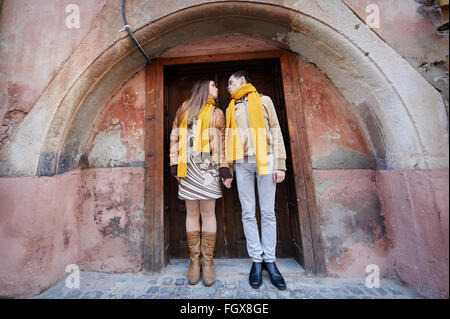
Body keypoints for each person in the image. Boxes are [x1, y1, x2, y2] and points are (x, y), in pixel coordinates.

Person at [225, 70, 287, 290]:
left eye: (230, 83)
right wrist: (228, 169)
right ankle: (256, 260)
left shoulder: (264, 100)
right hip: (241, 163)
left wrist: (280, 164)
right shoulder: (231, 108)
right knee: (248, 213)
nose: (228, 87)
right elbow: (229, 137)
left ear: (242, 81)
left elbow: (276, 130)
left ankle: (270, 261)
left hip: (266, 160)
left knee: (268, 211)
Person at [169, 79, 233, 287]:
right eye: (214, 86)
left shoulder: (218, 113)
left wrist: (225, 167)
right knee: (191, 213)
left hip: (209, 169)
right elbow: (175, 138)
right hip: (187, 167)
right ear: (205, 88)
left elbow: (222, 141)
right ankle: (193, 261)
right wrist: (173, 163)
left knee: (208, 213)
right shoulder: (184, 108)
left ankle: (208, 262)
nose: (218, 89)